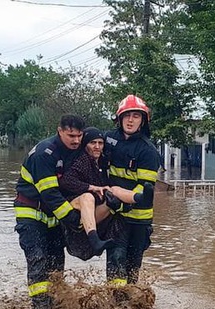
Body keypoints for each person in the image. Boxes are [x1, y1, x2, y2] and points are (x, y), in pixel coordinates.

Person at [14, 114, 85, 309]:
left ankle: (56, 303)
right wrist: (73, 219)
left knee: (56, 261)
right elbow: (50, 194)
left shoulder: (74, 152)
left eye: (79, 136)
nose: (76, 140)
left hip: (53, 217)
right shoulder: (44, 154)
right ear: (59, 130)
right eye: (71, 135)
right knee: (38, 259)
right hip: (31, 213)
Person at [59, 127, 151, 261]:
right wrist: (91, 187)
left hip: (95, 212)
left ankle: (139, 197)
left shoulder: (102, 162)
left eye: (100, 143)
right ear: (85, 145)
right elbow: (66, 181)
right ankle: (94, 240)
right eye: (93, 143)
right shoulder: (81, 161)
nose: (97, 147)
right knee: (88, 197)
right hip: (77, 209)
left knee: (114, 190)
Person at [105, 95, 160, 287]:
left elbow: (145, 188)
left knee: (132, 267)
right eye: (127, 115)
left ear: (143, 120)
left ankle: (131, 302)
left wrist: (122, 199)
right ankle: (116, 304)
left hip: (139, 219)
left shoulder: (148, 151)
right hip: (115, 215)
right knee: (116, 259)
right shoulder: (108, 139)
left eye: (136, 116)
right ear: (119, 119)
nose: (130, 120)